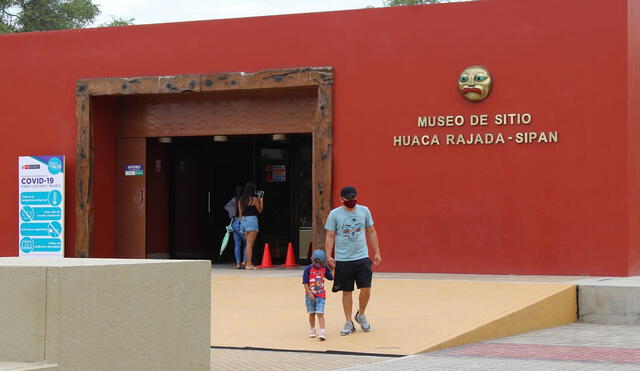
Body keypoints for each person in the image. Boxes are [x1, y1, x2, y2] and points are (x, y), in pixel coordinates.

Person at [324, 185, 381, 336]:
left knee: (366, 289)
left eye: (353, 197)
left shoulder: (364, 211)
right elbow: (330, 236)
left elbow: (371, 231)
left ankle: (360, 314)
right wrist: (328, 256)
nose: (351, 200)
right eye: (348, 198)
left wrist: (377, 252)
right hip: (343, 259)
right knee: (347, 291)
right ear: (341, 199)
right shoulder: (334, 214)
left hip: (362, 257)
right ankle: (348, 322)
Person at [302, 249, 333, 341]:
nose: (318, 264)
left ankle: (322, 331)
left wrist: (333, 268)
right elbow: (305, 282)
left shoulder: (324, 269)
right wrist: (309, 293)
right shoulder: (308, 269)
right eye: (316, 262)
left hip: (321, 296)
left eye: (320, 262)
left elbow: (331, 277)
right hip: (310, 296)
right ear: (312, 259)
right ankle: (312, 330)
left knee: (320, 313)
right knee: (311, 313)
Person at [238, 181, 264, 270]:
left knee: (247, 243)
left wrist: (241, 223)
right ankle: (249, 264)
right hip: (252, 220)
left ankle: (245, 262)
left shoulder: (241, 199)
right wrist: (261, 200)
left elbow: (240, 213)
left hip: (243, 221)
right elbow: (260, 210)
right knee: (250, 244)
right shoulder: (254, 199)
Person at [224, 185, 246, 269]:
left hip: (234, 223)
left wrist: (233, 214)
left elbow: (227, 207)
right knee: (247, 243)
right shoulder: (244, 200)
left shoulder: (233, 200)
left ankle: (238, 263)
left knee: (237, 244)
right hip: (242, 222)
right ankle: (244, 262)